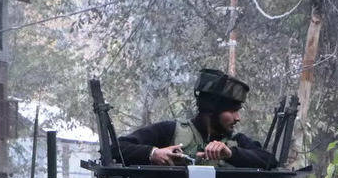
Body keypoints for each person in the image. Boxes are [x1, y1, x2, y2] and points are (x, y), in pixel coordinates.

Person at [115, 68, 278, 169]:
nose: (238, 118)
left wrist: (231, 154)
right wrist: (154, 153)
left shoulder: (237, 142)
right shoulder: (169, 131)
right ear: (211, 110)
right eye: (232, 111)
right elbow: (117, 148)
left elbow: (269, 161)